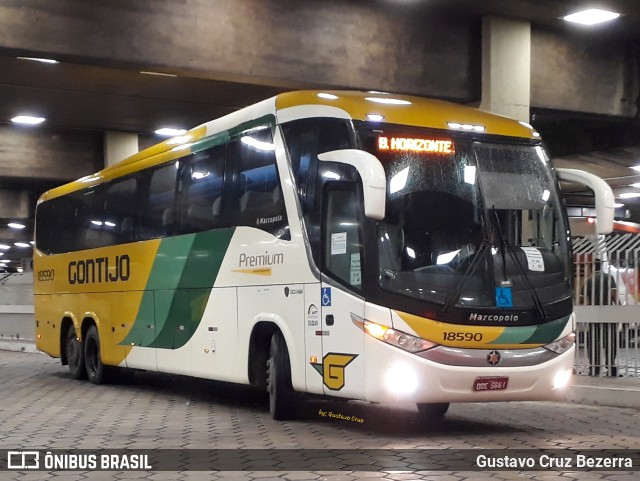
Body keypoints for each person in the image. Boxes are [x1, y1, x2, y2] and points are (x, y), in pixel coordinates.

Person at [585, 261, 619, 377]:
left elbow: (584, 300)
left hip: (594, 316)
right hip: (608, 315)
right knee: (610, 341)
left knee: (594, 342)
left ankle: (594, 367)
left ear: (592, 267)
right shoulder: (609, 278)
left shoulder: (589, 280)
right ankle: (611, 367)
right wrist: (619, 310)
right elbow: (614, 295)